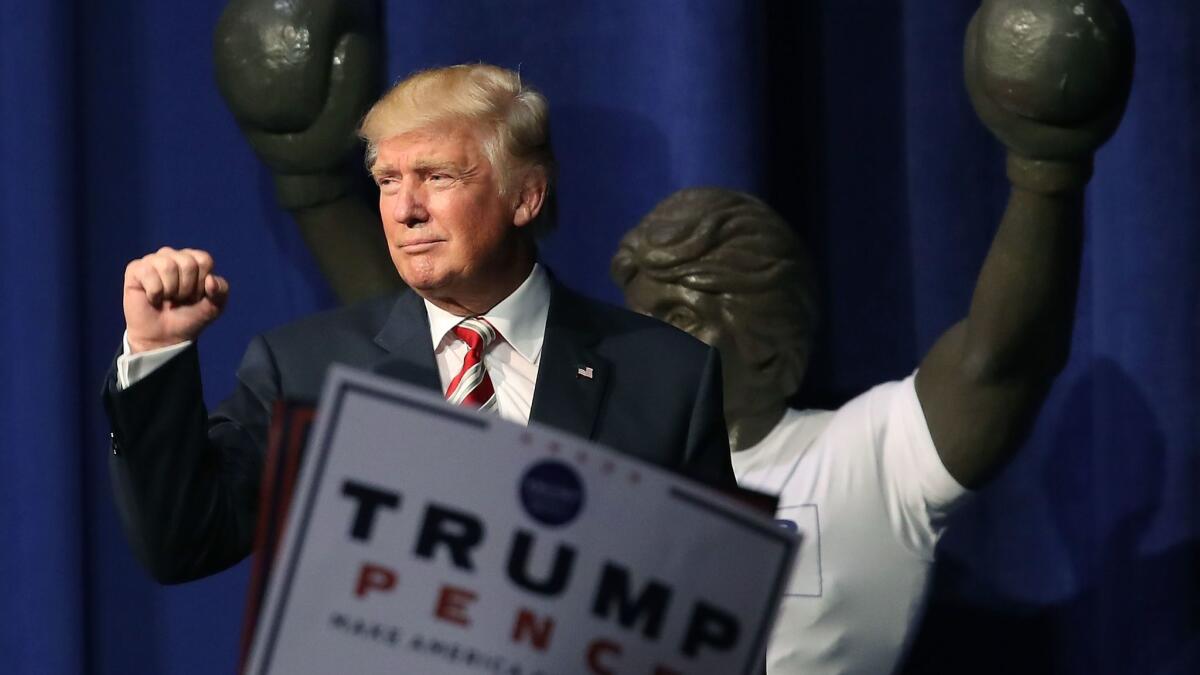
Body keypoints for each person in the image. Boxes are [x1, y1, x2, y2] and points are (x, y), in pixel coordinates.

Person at [611, 2, 1133, 672]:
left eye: (677, 318)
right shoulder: (603, 486)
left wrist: (1045, 169)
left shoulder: (867, 456)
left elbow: (1003, 360)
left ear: (765, 341)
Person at [104, 64, 734, 584]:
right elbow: (182, 544)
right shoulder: (304, 371)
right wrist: (156, 352)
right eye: (386, 180)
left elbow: (714, 617)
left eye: (437, 177)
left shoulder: (667, 376)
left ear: (526, 196)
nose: (405, 210)